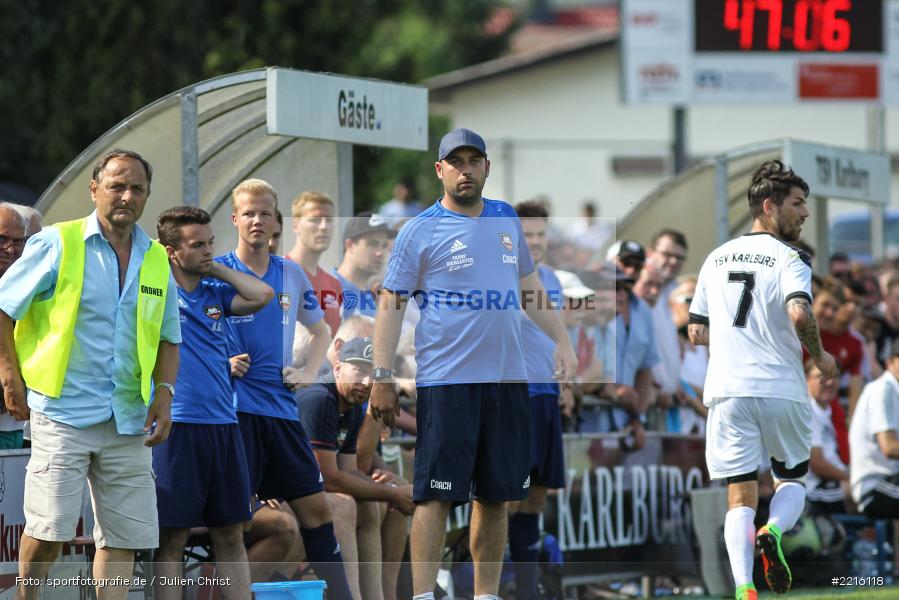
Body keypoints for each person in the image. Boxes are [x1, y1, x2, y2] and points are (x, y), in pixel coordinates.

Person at [369, 128, 577, 600]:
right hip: (448, 383)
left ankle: (485, 596)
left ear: (487, 167)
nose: (466, 169)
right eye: (456, 162)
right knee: (435, 496)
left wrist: (561, 339)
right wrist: (381, 375)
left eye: (474, 160)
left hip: (507, 381)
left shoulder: (505, 218)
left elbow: (529, 288)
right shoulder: (419, 229)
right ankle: (424, 595)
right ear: (440, 170)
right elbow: (391, 302)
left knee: (497, 497)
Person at [0, 149, 182, 600]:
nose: (126, 196)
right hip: (62, 409)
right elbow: (3, 307)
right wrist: (8, 374)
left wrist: (164, 393)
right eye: (117, 185)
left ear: (147, 197)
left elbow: (168, 337)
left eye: (137, 188)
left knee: (125, 536)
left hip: (129, 416)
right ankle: (26, 597)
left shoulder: (157, 259)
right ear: (94, 188)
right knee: (50, 529)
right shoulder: (56, 243)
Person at [688, 160, 836, 600]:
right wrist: (821, 355)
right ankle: (772, 530)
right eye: (797, 204)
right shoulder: (792, 258)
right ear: (768, 206)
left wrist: (735, 341)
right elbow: (798, 312)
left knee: (739, 493)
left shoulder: (715, 258)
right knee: (791, 481)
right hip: (780, 387)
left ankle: (744, 588)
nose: (805, 213)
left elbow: (696, 331)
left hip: (728, 390)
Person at [218, 178, 352, 599]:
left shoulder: (290, 273)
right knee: (233, 523)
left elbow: (319, 331)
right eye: (250, 213)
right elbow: (189, 333)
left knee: (316, 510)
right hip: (233, 414)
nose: (258, 220)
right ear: (235, 219)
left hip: (280, 411)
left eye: (265, 213)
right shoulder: (217, 272)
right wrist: (222, 364)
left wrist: (309, 373)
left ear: (277, 221)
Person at [153, 206, 274, 600]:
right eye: (197, 245)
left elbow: (263, 294)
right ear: (171, 251)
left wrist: (216, 269)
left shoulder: (215, 290)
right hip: (177, 426)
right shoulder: (154, 289)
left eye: (210, 243)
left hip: (223, 425)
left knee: (230, 532)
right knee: (172, 536)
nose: (208, 251)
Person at [298, 337, 414, 600]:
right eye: (359, 370)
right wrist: (392, 493)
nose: (365, 382)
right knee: (346, 504)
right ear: (337, 368)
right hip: (279, 494)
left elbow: (352, 469)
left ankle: (381, 596)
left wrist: (389, 489)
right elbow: (329, 479)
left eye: (371, 374)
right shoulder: (320, 398)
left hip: (309, 492)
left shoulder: (349, 404)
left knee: (372, 502)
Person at [510, 200, 568, 600]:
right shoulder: (502, 278)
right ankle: (489, 587)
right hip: (516, 395)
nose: (535, 242)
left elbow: (555, 338)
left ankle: (528, 591)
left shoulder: (554, 280)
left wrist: (566, 385)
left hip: (548, 397)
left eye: (540, 234)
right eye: (527, 235)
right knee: (507, 500)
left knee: (535, 499)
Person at [849, 338, 899, 518]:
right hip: (874, 487)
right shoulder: (883, 389)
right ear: (890, 362)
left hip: (888, 482)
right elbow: (889, 447)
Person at [647, 229, 689, 429]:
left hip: (668, 401)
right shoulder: (643, 293)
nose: (673, 261)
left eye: (679, 257)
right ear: (651, 253)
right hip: (647, 400)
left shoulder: (675, 294)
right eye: (667, 254)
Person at [286, 191, 342, 336]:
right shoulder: (278, 273)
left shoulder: (333, 284)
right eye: (316, 220)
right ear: (296, 226)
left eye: (329, 220)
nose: (324, 226)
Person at [0, 203, 29, 449]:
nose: (9, 249)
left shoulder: (32, 286)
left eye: (18, 242)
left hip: (14, 421)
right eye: (1, 239)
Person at [805, 361, 849, 515]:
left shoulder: (831, 411)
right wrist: (850, 479)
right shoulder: (807, 411)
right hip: (813, 490)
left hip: (831, 483)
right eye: (821, 376)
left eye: (835, 376)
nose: (829, 382)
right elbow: (818, 464)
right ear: (806, 379)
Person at [334, 212, 396, 318]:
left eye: (384, 246)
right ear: (350, 245)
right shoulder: (328, 290)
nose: (380, 252)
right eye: (372, 244)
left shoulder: (373, 297)